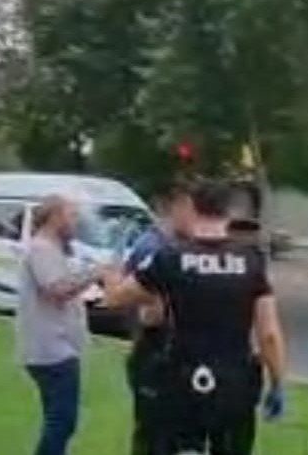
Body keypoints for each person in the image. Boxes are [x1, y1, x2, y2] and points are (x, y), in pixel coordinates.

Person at [102, 179, 288, 455]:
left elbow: (117, 298)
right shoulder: (251, 261)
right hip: (234, 380)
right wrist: (277, 382)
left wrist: (111, 274)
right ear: (229, 211)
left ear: (194, 207)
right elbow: (269, 334)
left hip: (179, 378)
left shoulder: (169, 258)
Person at [17, 195, 100, 455]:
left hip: (58, 348)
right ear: (55, 217)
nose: (76, 222)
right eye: (72, 215)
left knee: (59, 420)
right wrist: (95, 274)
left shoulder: (52, 250)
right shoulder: (41, 249)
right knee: (62, 421)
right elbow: (57, 289)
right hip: (52, 351)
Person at [124, 184, 190, 455]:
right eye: (191, 209)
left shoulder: (172, 246)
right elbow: (149, 310)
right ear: (174, 208)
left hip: (166, 354)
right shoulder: (152, 248)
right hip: (153, 352)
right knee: (154, 435)